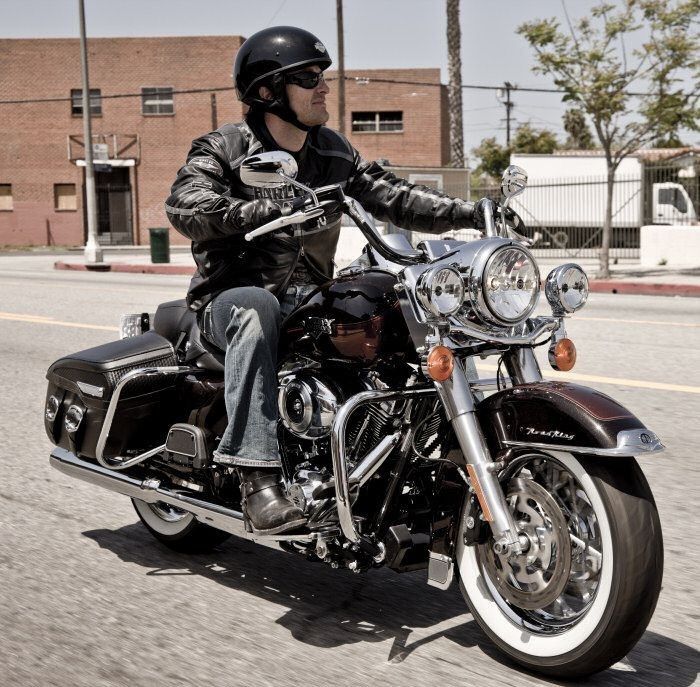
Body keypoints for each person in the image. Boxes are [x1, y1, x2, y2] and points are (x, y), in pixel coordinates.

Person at [165, 25, 482, 534]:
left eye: (323, 76)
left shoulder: (331, 152)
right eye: (308, 77)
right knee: (256, 307)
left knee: (390, 304)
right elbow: (185, 205)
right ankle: (257, 479)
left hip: (307, 300)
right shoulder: (226, 146)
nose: (323, 87)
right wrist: (255, 208)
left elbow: (392, 195)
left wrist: (470, 211)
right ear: (268, 91)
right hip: (230, 303)